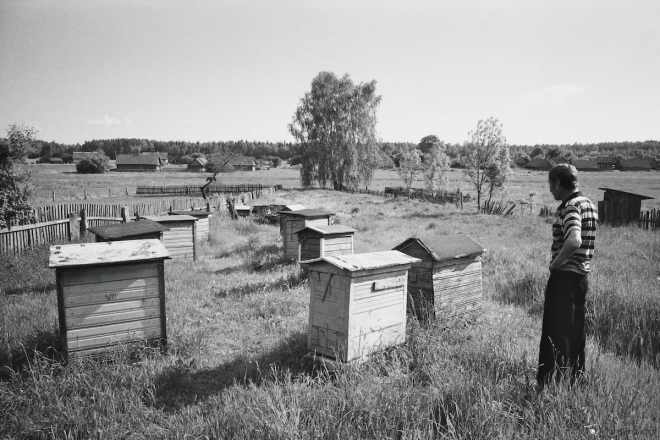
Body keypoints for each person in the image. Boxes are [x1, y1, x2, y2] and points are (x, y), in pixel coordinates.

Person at [537, 164, 597, 389]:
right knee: (574, 332)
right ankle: (574, 381)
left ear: (558, 183)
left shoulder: (569, 206)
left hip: (564, 279)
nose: (550, 190)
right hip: (581, 279)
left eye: (550, 185)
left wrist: (555, 264)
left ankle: (547, 384)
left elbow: (574, 240)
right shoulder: (588, 204)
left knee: (553, 333)